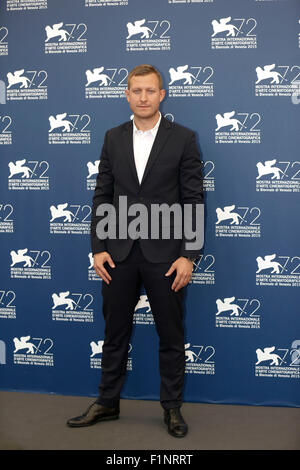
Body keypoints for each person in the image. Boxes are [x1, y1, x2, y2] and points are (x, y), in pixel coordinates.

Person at [67, 64, 204, 438]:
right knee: (114, 334)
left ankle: (172, 408)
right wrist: (98, 248)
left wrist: (188, 255)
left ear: (162, 95)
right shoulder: (112, 138)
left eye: (150, 90)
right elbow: (102, 195)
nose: (143, 97)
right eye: (136, 90)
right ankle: (107, 402)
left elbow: (193, 199)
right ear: (126, 95)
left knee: (171, 336)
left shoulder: (184, 139)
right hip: (119, 254)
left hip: (166, 256)